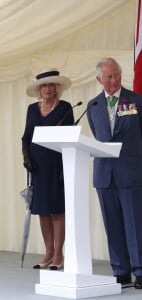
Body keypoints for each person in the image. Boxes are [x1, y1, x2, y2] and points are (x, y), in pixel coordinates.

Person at [87, 57, 142, 289]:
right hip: (105, 175)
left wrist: (135, 161)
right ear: (99, 79)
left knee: (136, 224)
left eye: (117, 74)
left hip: (132, 172)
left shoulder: (137, 101)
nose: (114, 80)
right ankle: (121, 270)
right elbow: (98, 136)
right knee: (112, 224)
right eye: (109, 76)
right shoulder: (93, 106)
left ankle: (141, 271)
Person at [21, 68, 74, 270]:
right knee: (43, 211)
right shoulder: (32, 109)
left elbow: (71, 135)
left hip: (57, 165)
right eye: (44, 85)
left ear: (56, 88)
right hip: (37, 166)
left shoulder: (65, 108)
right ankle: (48, 252)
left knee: (57, 210)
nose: (47, 88)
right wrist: (26, 155)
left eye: (51, 85)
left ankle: (59, 253)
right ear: (39, 89)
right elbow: (26, 136)